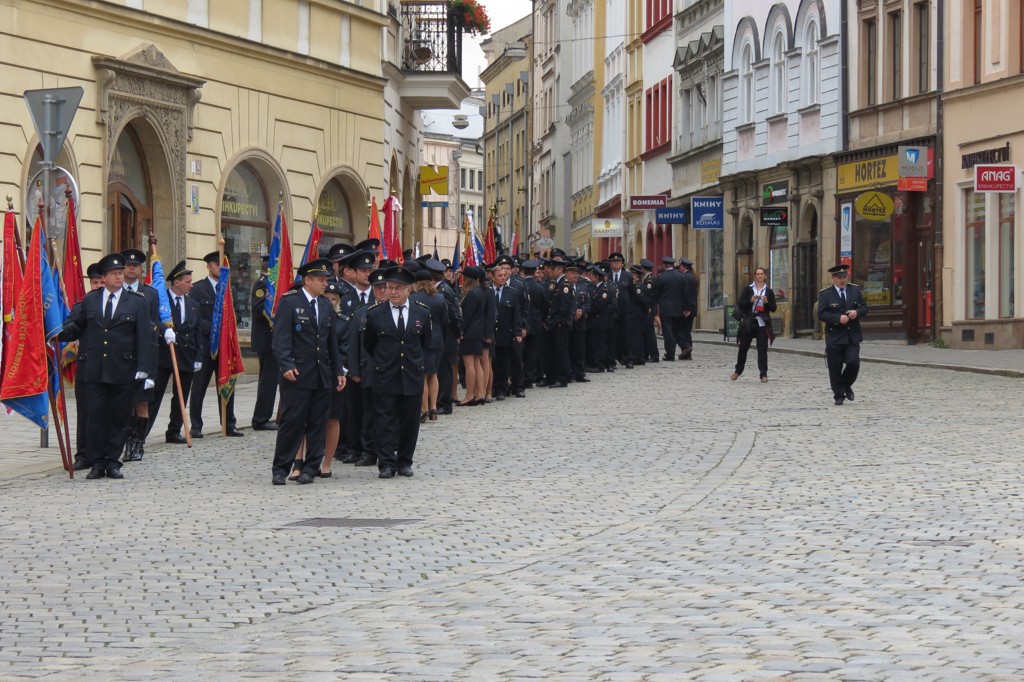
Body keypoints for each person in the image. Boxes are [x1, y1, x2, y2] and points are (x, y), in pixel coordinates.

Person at [58, 253, 153, 480]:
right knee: (96, 418)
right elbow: (76, 327)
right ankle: (97, 462)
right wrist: (55, 330)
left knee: (119, 418)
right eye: (114, 273)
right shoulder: (91, 300)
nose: (119, 277)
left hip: (123, 369)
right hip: (95, 369)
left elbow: (144, 337)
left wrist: (144, 368)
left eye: (121, 273)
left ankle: (113, 461)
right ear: (104, 277)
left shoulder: (137, 302)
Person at [270, 259, 346, 485]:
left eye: (326, 280)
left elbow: (330, 342)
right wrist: (286, 365)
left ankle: (311, 468)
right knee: (292, 422)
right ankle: (281, 468)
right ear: (307, 280)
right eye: (321, 280)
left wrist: (338, 369)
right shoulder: (290, 302)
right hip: (297, 374)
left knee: (317, 423)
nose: (325, 284)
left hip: (321, 374)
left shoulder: (325, 305)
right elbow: (281, 339)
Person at [360, 266, 432, 478]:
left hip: (411, 374)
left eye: (397, 288)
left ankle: (404, 461)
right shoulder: (375, 314)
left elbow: (425, 343)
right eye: (389, 288)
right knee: (384, 420)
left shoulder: (422, 312)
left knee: (410, 420)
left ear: (409, 290)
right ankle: (386, 463)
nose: (392, 292)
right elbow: (369, 344)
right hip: (385, 374)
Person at [146, 260, 203, 443]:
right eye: (188, 281)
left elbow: (197, 331)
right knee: (154, 396)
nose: (191, 285)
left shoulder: (193, 304)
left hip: (186, 354)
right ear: (177, 282)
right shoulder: (161, 300)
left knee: (181, 396)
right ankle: (142, 432)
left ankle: (174, 430)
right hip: (164, 354)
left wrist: (198, 355)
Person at [190, 251, 244, 438]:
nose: (220, 269)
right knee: (199, 387)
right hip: (205, 346)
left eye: (223, 265)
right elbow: (194, 318)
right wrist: (215, 328)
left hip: (225, 348)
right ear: (209, 266)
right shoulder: (198, 289)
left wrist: (228, 324)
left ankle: (229, 423)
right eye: (216, 265)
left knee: (228, 385)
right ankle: (196, 426)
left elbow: (237, 314)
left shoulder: (230, 289)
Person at [120, 248, 163, 462]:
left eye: (135, 266)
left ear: (140, 269)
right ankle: (125, 440)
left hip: (144, 355)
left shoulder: (151, 294)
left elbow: (154, 327)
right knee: (124, 403)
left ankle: (138, 443)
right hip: (122, 356)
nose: (131, 268)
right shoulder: (117, 291)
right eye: (128, 265)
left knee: (142, 403)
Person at [69, 262, 104, 471]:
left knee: (105, 413)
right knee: (84, 413)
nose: (98, 285)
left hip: (110, 367)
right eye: (94, 282)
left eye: (101, 281)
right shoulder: (81, 306)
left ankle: (103, 454)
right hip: (86, 366)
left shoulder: (119, 305)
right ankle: (83, 454)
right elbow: (70, 328)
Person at [818, 263, 868, 406]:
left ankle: (846, 384)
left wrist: (856, 313)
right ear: (833, 278)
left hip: (852, 334)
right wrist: (837, 319)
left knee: (853, 362)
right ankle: (838, 394)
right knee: (835, 366)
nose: (842, 280)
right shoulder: (826, 294)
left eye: (844, 276)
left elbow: (864, 307)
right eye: (839, 277)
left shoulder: (854, 290)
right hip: (835, 336)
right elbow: (821, 314)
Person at [318, 278, 352, 478]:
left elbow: (344, 351)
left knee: (332, 418)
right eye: (326, 298)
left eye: (333, 299)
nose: (329, 301)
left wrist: (341, 372)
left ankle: (327, 462)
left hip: (334, 376)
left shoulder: (343, 322)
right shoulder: (316, 318)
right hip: (315, 374)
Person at [410, 269, 449, 420]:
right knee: (434, 374)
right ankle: (433, 407)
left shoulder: (412, 298)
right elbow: (446, 322)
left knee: (423, 375)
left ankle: (424, 408)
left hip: (421, 339)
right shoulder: (439, 298)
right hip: (437, 339)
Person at [731, 267, 777, 382]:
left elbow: (773, 308)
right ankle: (738, 370)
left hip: (762, 322)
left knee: (762, 349)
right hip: (749, 321)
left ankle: (763, 374)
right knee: (743, 347)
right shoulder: (748, 289)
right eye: (758, 274)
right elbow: (741, 304)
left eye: (762, 274)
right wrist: (750, 300)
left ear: (765, 276)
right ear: (755, 276)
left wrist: (766, 302)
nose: (760, 276)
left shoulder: (769, 291)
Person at [250, 254, 279, 431]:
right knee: (268, 381)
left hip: (274, 340)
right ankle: (261, 419)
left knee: (273, 381)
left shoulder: (274, 285)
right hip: (266, 340)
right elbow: (258, 308)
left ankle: (269, 415)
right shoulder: (262, 284)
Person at [458, 265, 489, 405]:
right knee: (477, 363)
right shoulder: (480, 291)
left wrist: (461, 331)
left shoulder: (471, 293)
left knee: (469, 363)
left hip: (470, 332)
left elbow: (467, 316)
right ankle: (480, 393)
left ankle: (470, 394)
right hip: (478, 331)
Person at [654, 256, 685, 361]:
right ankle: (676, 350)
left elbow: (657, 294)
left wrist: (655, 304)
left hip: (666, 308)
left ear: (665, 265)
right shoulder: (681, 276)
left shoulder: (661, 277)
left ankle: (670, 354)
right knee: (676, 331)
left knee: (668, 332)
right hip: (678, 308)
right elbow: (686, 293)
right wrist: (687, 307)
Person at [677, 257, 699, 359]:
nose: (679, 268)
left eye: (680, 266)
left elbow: (686, 295)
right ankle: (687, 353)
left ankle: (686, 348)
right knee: (687, 331)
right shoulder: (693, 277)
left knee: (680, 330)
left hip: (687, 308)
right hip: (692, 308)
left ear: (683, 266)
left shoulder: (685, 277)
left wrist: (687, 308)